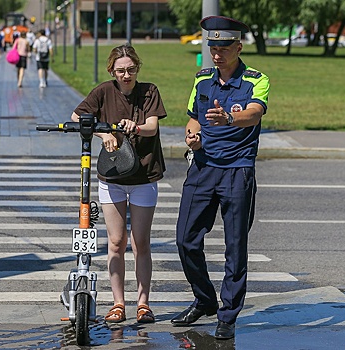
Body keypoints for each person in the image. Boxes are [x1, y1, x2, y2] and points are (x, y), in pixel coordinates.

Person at [171, 16, 270, 340]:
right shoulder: (202, 81)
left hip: (237, 170)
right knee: (186, 239)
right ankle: (204, 299)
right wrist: (192, 136)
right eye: (212, 47)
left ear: (238, 47)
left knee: (235, 246)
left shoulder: (256, 80)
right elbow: (193, 120)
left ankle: (227, 315)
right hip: (203, 168)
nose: (217, 53)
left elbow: (255, 113)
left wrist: (230, 117)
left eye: (223, 47)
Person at [70, 44, 167, 324]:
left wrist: (133, 127)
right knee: (115, 242)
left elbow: (152, 126)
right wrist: (103, 133)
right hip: (112, 176)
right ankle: (118, 303)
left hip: (143, 176)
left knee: (140, 242)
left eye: (131, 69)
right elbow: (78, 117)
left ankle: (143, 303)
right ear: (112, 70)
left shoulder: (149, 91)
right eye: (121, 70)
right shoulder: (103, 91)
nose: (126, 75)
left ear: (138, 68)